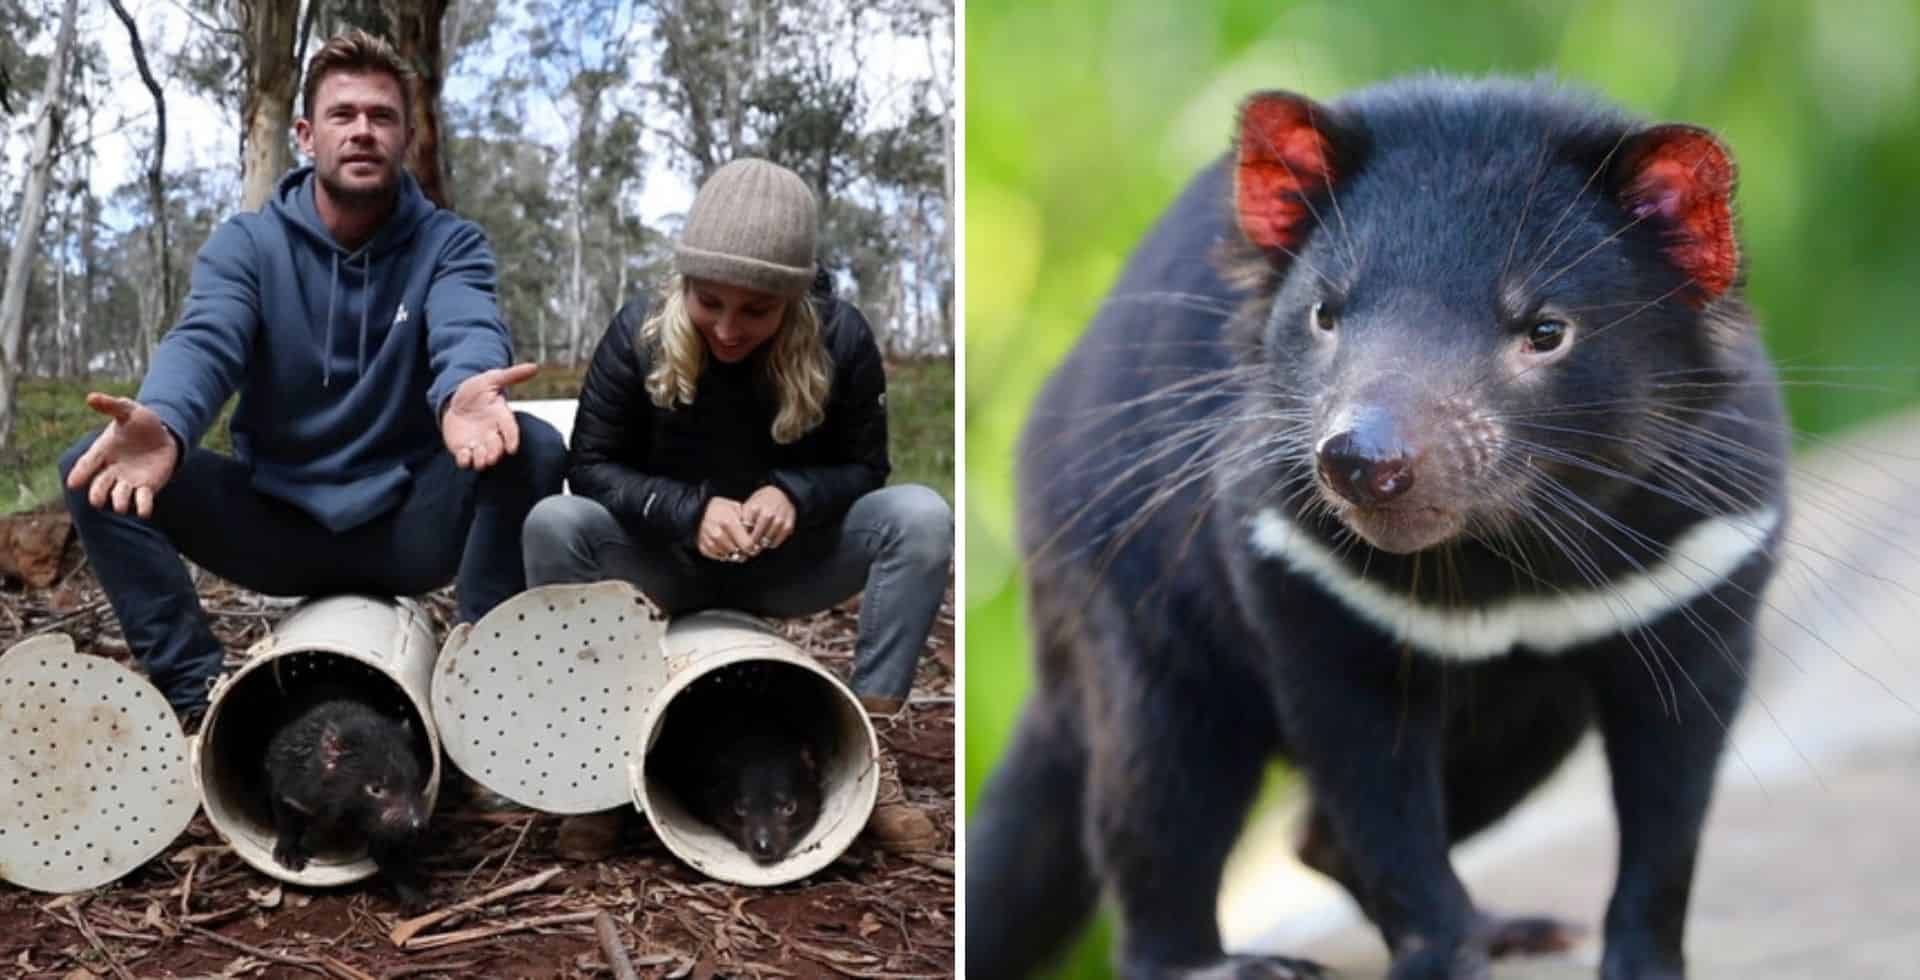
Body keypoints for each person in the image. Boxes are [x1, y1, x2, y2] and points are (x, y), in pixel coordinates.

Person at [60, 29, 565, 727]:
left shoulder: (451, 244)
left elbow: (466, 326)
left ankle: (478, 698)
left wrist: (462, 390)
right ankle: (203, 703)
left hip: (405, 526)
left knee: (532, 447)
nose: (363, 131)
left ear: (408, 137)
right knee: (93, 469)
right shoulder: (248, 245)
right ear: (306, 133)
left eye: (382, 116)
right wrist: (168, 422)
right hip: (277, 526)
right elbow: (207, 339)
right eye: (343, 114)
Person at [522, 157, 953, 859]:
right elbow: (590, 468)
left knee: (922, 518)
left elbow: (865, 468)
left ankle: (871, 752)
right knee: (554, 524)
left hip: (785, 564)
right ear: (683, 284)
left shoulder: (842, 340)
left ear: (798, 298)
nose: (727, 328)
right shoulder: (638, 334)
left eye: (756, 310)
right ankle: (597, 765)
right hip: (663, 561)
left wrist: (796, 493)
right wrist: (687, 510)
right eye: (709, 302)